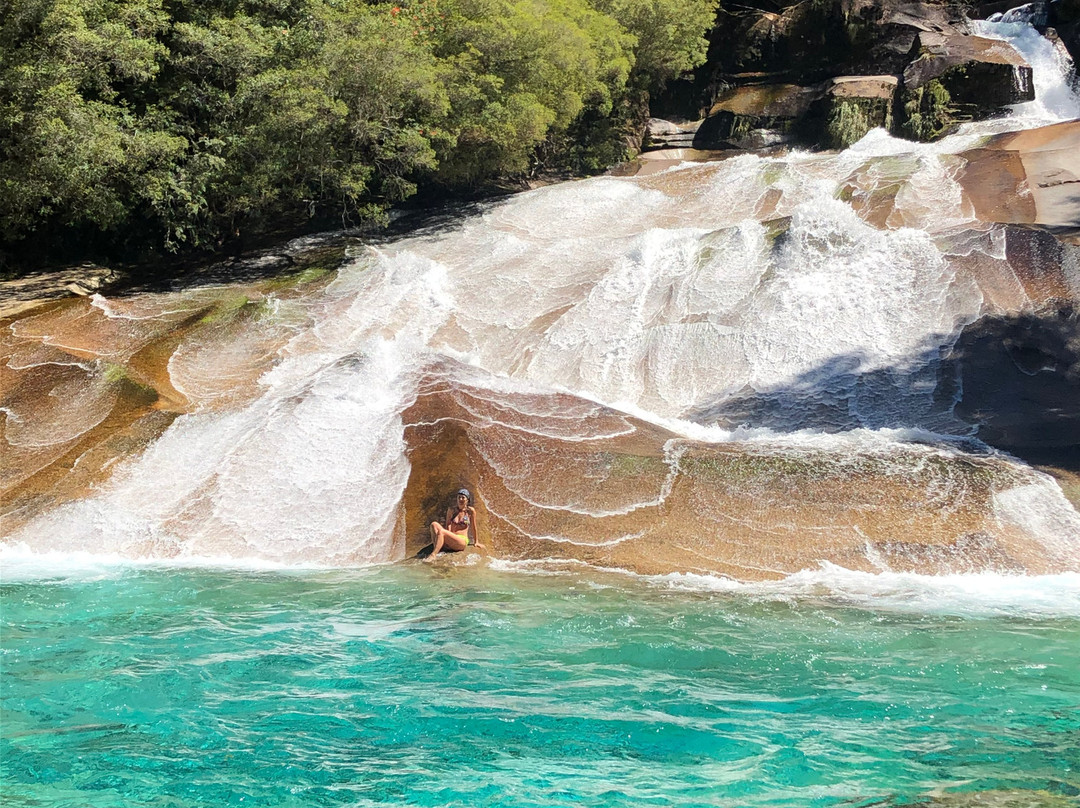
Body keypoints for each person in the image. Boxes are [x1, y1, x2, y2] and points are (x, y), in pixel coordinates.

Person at [427, 488, 483, 559]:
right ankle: (439, 548)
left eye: (463, 497)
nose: (461, 499)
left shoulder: (470, 511)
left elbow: (473, 527)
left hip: (461, 540)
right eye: (459, 497)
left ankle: (433, 555)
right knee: (434, 524)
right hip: (452, 537)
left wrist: (476, 541)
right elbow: (448, 525)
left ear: (467, 500)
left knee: (442, 531)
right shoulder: (451, 510)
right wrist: (448, 539)